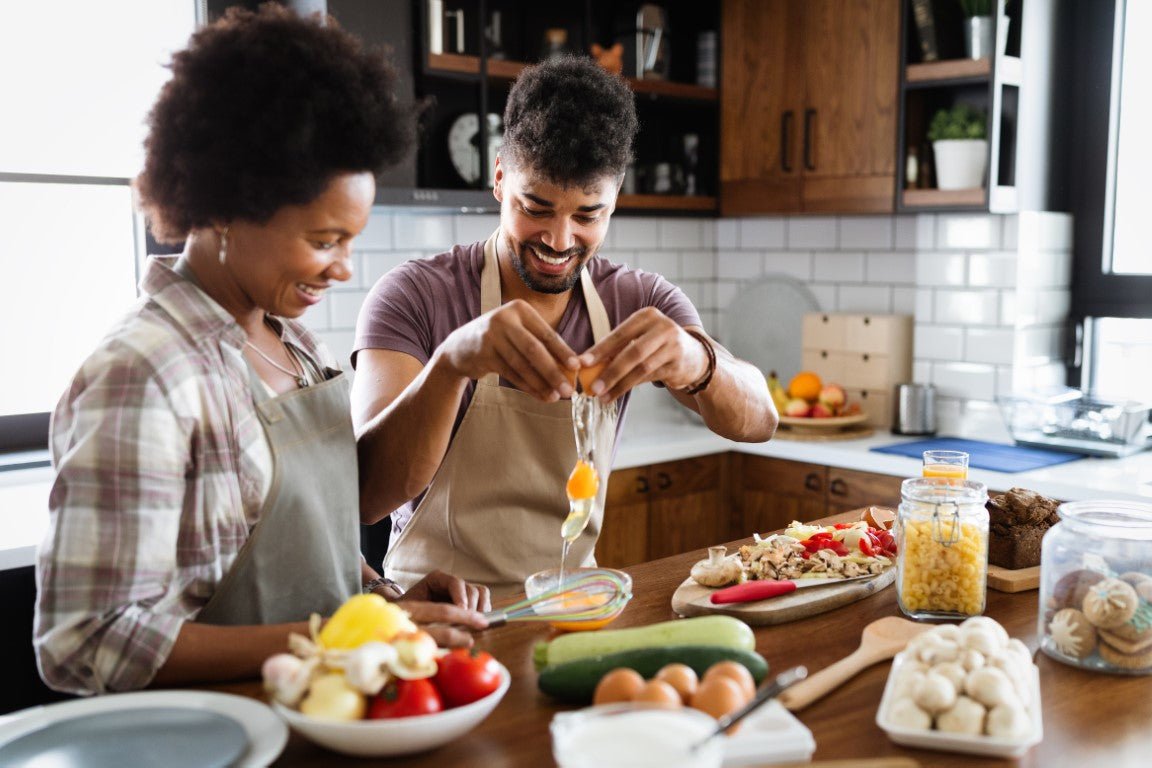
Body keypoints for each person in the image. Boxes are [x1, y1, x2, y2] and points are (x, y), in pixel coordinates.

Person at [35, 6, 489, 697]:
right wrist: (344, 637)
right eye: (324, 240)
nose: (342, 269)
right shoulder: (145, 374)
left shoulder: (299, 347)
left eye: (351, 240)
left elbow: (318, 548)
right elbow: (87, 641)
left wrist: (383, 603)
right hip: (220, 735)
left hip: (326, 719)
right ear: (226, 205)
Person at [351, 56, 777, 596]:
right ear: (500, 176)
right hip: (435, 617)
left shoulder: (636, 299)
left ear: (615, 198)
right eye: (537, 207)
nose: (559, 239)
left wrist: (698, 362)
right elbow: (367, 496)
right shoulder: (415, 295)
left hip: (570, 608)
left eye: (587, 215)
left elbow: (761, 420)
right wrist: (453, 364)